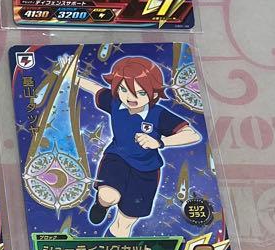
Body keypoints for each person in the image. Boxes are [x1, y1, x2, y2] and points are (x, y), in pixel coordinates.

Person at [77, 55, 201, 237]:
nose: (131, 97)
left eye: (141, 92)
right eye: (124, 89)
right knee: (108, 196)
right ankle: (101, 205)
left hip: (146, 171)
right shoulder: (115, 103)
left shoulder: (158, 114)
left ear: (154, 93)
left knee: (124, 224)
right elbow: (95, 88)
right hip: (117, 158)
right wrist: (71, 75)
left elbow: (193, 134)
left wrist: (160, 142)